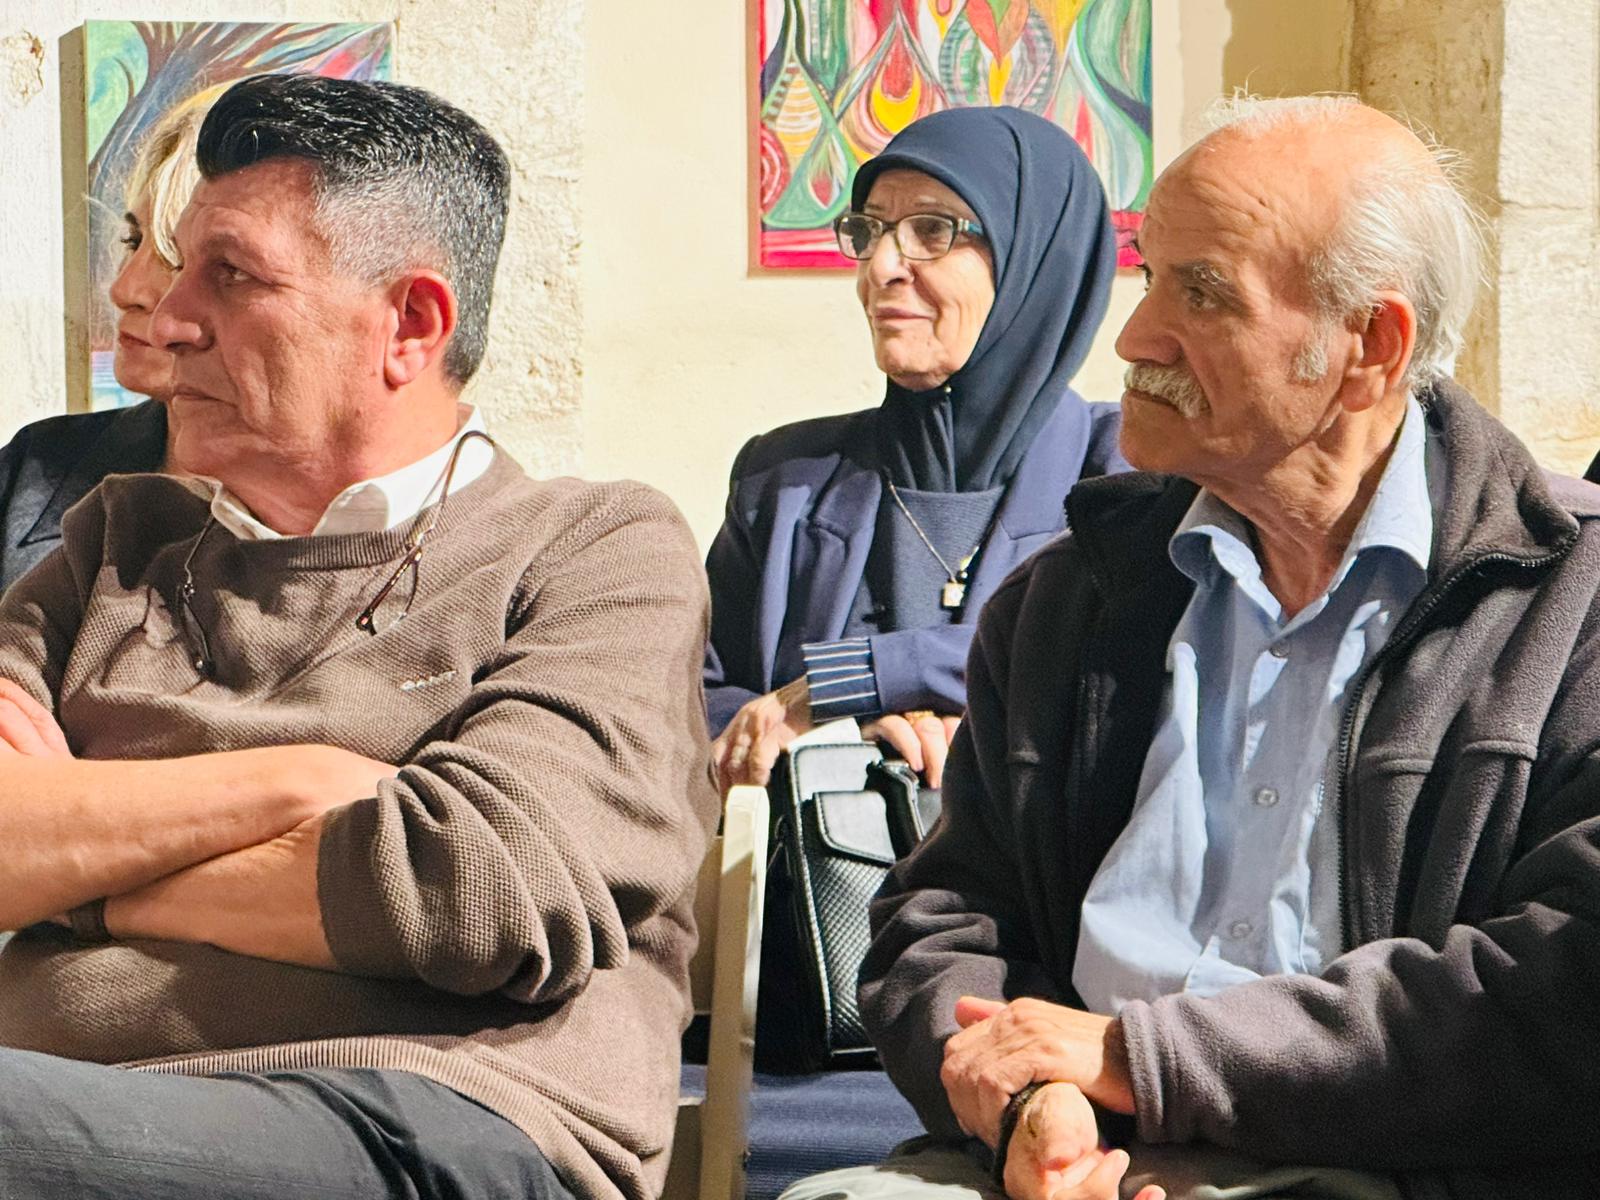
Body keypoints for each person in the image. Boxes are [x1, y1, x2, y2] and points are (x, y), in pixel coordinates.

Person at [785, 94, 1600, 1200]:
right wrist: (1032, 1104)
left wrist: (1147, 1062)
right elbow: (942, 920)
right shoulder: (1070, 598)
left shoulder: (1569, 602)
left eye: (1203, 293)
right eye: (1148, 276)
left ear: (1370, 347)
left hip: (1406, 1170)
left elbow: (1564, 985)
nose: (1134, 338)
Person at [0, 73, 715, 1200]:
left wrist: (77, 871)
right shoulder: (115, 539)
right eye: (178, 266)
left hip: (430, 1113)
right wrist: (299, 786)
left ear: (410, 326)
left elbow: (479, 888)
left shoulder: (593, 546)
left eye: (232, 276)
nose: (168, 316)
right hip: (61, 1099)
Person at [707, 106, 1121, 794]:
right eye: (869, 230)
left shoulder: (1124, 472)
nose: (882, 266)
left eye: (932, 230)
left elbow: (1095, 651)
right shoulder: (784, 480)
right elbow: (688, 695)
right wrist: (833, 737)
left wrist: (852, 680)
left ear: (1036, 260)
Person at [0, 99, 208, 591]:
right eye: (133, 242)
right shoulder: (36, 467)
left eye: (176, 256)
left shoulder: (352, 518)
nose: (123, 289)